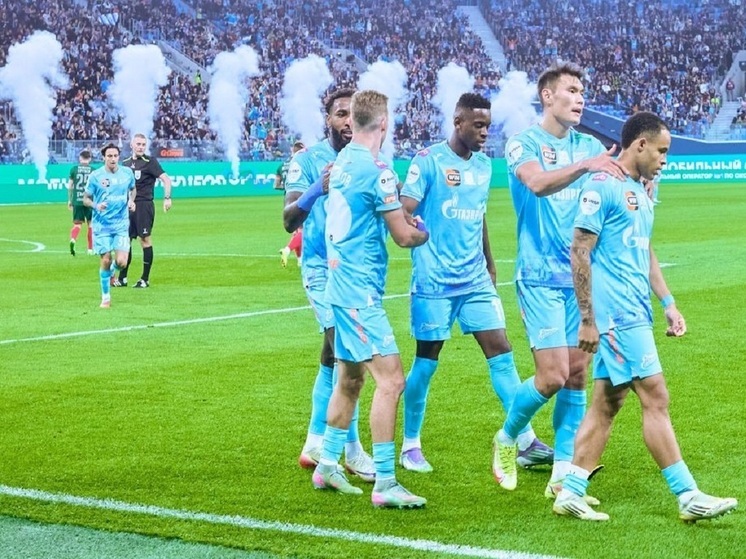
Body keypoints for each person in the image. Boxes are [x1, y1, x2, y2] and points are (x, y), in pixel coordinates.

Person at [553, 111, 738, 522]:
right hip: (618, 316)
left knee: (608, 402)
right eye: (661, 151)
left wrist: (668, 302)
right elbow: (579, 250)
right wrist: (588, 319)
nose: (665, 160)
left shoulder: (642, 190)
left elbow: (644, 249)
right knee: (656, 396)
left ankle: (571, 490)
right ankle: (688, 495)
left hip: (635, 309)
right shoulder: (603, 186)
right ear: (639, 144)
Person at [492, 62, 629, 499]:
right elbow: (536, 183)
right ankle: (507, 437)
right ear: (547, 96)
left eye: (583, 91)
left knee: (576, 375)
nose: (580, 97)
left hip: (580, 278)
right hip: (538, 277)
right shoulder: (523, 143)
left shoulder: (589, 144)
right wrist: (586, 166)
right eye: (571, 89)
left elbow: (612, 191)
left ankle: (562, 474)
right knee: (551, 375)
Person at [398, 93, 553, 473]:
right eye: (478, 125)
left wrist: (490, 263)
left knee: (501, 351)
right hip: (434, 282)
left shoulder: (484, 166)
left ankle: (524, 440)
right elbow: (404, 210)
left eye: (488, 126)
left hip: (475, 280)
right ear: (458, 123)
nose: (485, 132)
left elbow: (478, 215)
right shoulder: (428, 161)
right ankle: (410, 444)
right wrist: (416, 232)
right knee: (426, 361)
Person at [312, 89, 430, 507]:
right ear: (384, 123)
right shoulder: (378, 170)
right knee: (392, 380)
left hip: (339, 285)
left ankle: (327, 465)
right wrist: (422, 231)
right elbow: (404, 238)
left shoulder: (342, 161)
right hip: (359, 292)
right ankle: (385, 483)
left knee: (350, 379)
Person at [282, 88, 374, 481]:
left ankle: (314, 442)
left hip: (354, 270)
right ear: (329, 119)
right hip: (321, 268)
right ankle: (351, 450)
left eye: (353, 114)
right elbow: (288, 219)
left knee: (331, 354)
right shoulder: (306, 161)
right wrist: (317, 187)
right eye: (341, 114)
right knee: (349, 352)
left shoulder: (367, 159)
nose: (348, 121)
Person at [113, 133, 172, 288]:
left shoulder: (150, 162)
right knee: (126, 241)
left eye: (143, 144)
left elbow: (166, 179)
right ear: (131, 145)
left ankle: (145, 279)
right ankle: (122, 278)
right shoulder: (125, 163)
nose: (141, 147)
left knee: (144, 240)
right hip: (127, 207)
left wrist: (167, 197)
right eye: (138, 144)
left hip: (144, 206)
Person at [83, 143, 135, 308]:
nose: (113, 159)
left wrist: (131, 201)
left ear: (119, 157)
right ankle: (105, 297)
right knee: (105, 259)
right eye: (109, 156)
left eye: (115, 156)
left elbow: (133, 189)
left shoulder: (127, 173)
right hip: (102, 225)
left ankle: (113, 270)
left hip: (121, 225)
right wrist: (96, 205)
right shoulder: (96, 176)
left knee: (121, 263)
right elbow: (86, 198)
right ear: (103, 157)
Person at [277, 141, 305, 268]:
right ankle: (287, 249)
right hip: (300, 196)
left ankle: (300, 260)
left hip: (288, 198)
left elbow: (276, 185)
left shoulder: (282, 165)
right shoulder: (302, 162)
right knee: (303, 230)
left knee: (296, 230)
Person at [68, 149, 95, 256]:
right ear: (90, 159)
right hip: (89, 201)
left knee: (77, 224)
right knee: (91, 225)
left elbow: (70, 186)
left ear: (80, 158)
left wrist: (70, 200)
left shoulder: (74, 169)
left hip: (77, 200)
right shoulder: (93, 170)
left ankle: (73, 239)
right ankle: (90, 249)